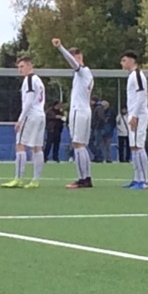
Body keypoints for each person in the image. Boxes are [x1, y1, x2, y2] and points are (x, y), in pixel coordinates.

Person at [52, 38, 94, 188]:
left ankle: (82, 178)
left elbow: (74, 63)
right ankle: (86, 177)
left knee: (77, 144)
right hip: (85, 110)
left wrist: (60, 47)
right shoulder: (86, 74)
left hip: (79, 110)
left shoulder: (82, 71)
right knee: (81, 145)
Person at [2, 56, 45, 189]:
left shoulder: (29, 79)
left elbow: (29, 100)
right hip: (40, 114)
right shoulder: (38, 80)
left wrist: (20, 119)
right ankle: (36, 179)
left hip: (31, 115)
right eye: (18, 67)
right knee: (37, 147)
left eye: (22, 66)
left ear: (30, 65)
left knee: (20, 145)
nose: (20, 70)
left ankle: (18, 178)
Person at [120, 50, 148, 190]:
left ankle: (144, 180)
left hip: (138, 115)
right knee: (133, 147)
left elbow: (141, 95)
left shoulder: (137, 75)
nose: (122, 63)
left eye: (124, 60)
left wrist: (135, 115)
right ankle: (137, 178)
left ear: (132, 60)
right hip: (133, 114)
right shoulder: (132, 76)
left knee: (139, 146)